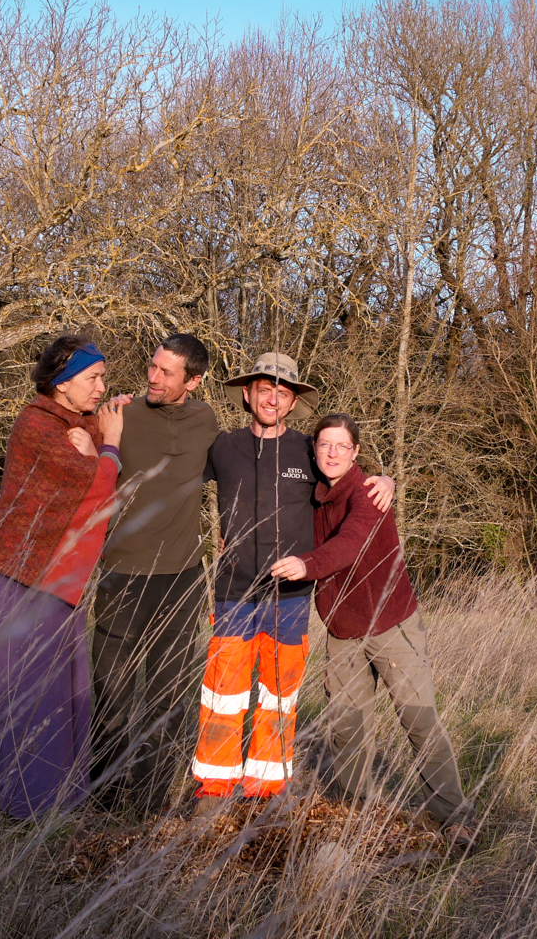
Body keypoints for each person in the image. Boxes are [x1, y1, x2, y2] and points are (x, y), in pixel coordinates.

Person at [190, 354, 394, 809]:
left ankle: (265, 790)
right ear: (247, 394)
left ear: (293, 402)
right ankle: (213, 790)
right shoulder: (223, 446)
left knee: (278, 697)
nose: (272, 399)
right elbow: (174, 476)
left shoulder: (309, 450)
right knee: (223, 693)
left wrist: (386, 479)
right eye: (264, 389)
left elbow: (350, 480)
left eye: (282, 393)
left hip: (292, 597)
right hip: (234, 592)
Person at [270, 413, 476, 847]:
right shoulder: (313, 493)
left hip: (390, 625)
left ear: (356, 452)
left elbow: (349, 544)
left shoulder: (369, 494)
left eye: (342, 446)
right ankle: (353, 812)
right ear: (313, 448)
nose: (332, 453)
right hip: (342, 630)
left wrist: (306, 565)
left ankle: (454, 817)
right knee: (347, 726)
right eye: (324, 444)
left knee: (418, 720)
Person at [0, 335, 125, 820]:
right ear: (62, 383)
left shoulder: (77, 424)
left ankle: (52, 794)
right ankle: (18, 799)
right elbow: (94, 487)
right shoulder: (35, 424)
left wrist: (99, 440)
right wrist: (109, 446)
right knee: (20, 683)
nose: (101, 387)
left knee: (56, 684)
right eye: (93, 378)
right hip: (16, 576)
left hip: (53, 579)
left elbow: (96, 466)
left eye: (102, 378)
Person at [90, 334, 220, 815]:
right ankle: (102, 800)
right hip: (122, 575)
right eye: (152, 366)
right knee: (112, 693)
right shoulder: (120, 416)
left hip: (182, 579)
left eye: (166, 372)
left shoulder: (206, 420)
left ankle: (147, 805)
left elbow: (256, 459)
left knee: (168, 696)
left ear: (194, 381)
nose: (153, 377)